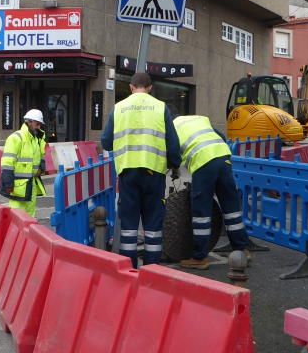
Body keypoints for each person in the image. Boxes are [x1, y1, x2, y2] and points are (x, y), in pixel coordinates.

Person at [101, 72, 180, 269]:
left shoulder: (118, 108)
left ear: (131, 87)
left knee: (129, 226)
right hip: (154, 172)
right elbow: (172, 143)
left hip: (128, 172)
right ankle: (152, 269)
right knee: (153, 225)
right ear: (150, 87)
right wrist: (175, 163)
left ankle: (130, 269)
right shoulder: (160, 107)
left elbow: (106, 141)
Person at [173, 115, 250, 269]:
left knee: (201, 209)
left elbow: (172, 154)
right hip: (223, 157)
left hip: (203, 161)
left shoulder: (172, 127)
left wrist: (174, 170)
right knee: (231, 207)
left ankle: (199, 257)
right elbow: (220, 136)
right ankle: (242, 249)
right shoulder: (198, 119)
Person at [0, 109, 48, 217]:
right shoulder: (16, 138)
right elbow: (7, 163)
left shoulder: (36, 139)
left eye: (40, 124)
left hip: (31, 185)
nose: (39, 127)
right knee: (18, 219)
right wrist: (8, 184)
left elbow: (41, 155)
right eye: (37, 123)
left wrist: (41, 168)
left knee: (30, 218)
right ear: (29, 122)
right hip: (18, 187)